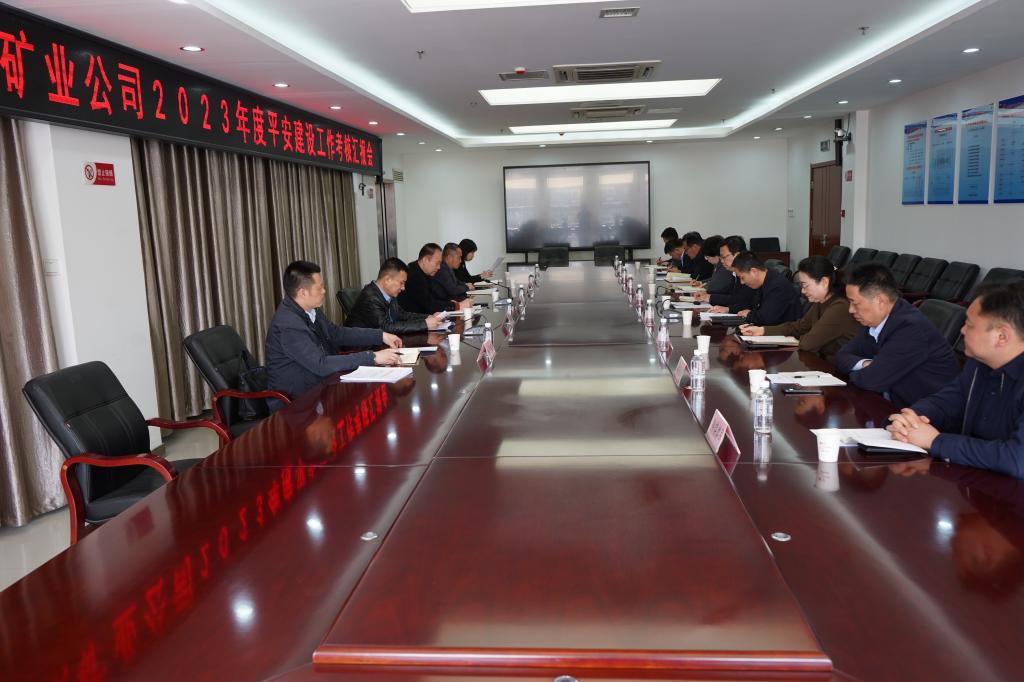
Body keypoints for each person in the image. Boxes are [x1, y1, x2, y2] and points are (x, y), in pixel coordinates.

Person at [887, 281, 1024, 478]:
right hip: (976, 482)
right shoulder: (979, 364)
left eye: (969, 324)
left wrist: (935, 441)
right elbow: (945, 403)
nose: (962, 330)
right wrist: (911, 420)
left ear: (1001, 336)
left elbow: (1018, 459)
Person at [266, 260, 401, 400]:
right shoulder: (288, 325)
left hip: (321, 386)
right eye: (320, 287)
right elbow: (320, 364)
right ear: (303, 293)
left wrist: (380, 336)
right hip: (297, 401)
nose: (324, 291)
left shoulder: (311, 310)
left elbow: (336, 333)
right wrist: (372, 357)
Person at [835, 263, 960, 407]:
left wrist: (863, 371)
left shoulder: (910, 329)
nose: (851, 310)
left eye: (855, 303)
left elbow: (871, 380)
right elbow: (841, 357)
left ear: (880, 301)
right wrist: (867, 364)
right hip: (891, 403)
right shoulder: (872, 321)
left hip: (925, 413)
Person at [740, 255, 859, 363]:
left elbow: (808, 343)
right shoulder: (820, 301)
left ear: (824, 282)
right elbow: (799, 326)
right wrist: (762, 330)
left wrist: (793, 340)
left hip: (840, 370)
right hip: (821, 362)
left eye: (805, 285)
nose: (802, 291)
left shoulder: (840, 307)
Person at [346, 258, 447, 334]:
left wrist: (429, 317)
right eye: (401, 283)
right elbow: (386, 327)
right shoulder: (370, 297)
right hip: (361, 349)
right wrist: (425, 324)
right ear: (387, 280)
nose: (403, 288)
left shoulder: (389, 294)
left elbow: (402, 315)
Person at [725, 251, 802, 325]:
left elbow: (766, 318)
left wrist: (749, 314)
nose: (742, 282)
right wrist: (731, 309)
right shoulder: (763, 281)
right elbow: (750, 304)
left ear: (754, 272)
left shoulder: (777, 286)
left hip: (782, 331)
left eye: (742, 277)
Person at [398, 243, 473, 314]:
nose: (439, 267)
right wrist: (457, 305)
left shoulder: (426, 272)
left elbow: (436, 297)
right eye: (437, 263)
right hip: (415, 319)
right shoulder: (414, 276)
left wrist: (451, 303)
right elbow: (430, 305)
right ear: (425, 260)